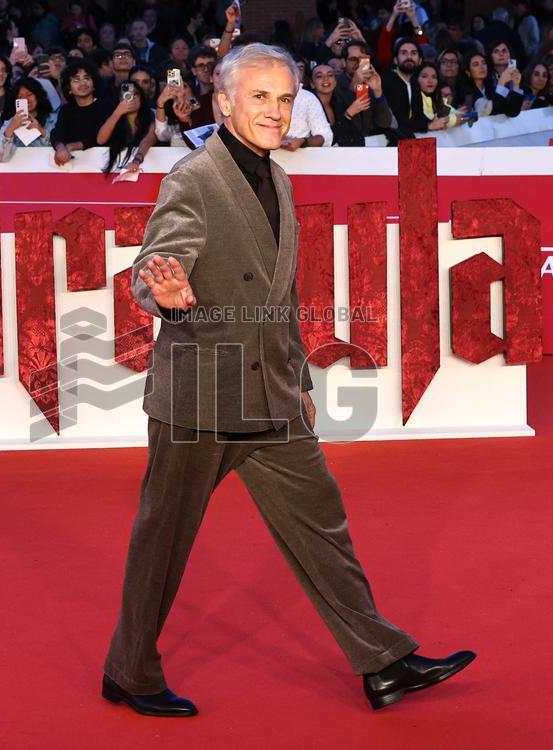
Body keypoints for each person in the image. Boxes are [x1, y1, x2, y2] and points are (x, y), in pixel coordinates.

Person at [102, 42, 475, 719]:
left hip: (271, 395)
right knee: (164, 540)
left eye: (283, 98)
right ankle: (130, 669)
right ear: (224, 103)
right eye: (259, 98)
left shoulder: (280, 180)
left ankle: (383, 661)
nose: (275, 112)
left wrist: (298, 374)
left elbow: (282, 296)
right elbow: (154, 266)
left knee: (322, 526)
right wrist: (166, 292)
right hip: (201, 399)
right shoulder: (195, 177)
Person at [310, 62, 392, 147]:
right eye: (319, 76)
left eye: (330, 75)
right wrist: (348, 114)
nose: (325, 78)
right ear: (312, 83)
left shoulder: (340, 104)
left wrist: (377, 91)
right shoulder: (308, 106)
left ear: (335, 81)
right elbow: (326, 140)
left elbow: (384, 123)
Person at [50, 59, 111, 165]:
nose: (82, 83)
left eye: (86, 78)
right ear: (69, 88)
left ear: (94, 84)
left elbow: (101, 138)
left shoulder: (107, 106)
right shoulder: (66, 110)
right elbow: (57, 133)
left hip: (104, 164)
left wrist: (73, 146)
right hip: (74, 168)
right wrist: (60, 147)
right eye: (76, 80)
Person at [95, 80, 155, 174]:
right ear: (119, 99)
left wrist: (136, 160)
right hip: (115, 171)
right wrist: (118, 112)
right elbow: (100, 140)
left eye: (136, 94)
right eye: (127, 94)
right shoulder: (113, 119)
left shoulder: (150, 117)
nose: (132, 98)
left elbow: (149, 140)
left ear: (141, 97)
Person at [0, 77, 55, 160]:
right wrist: (11, 128)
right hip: (20, 170)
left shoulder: (53, 119)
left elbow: (59, 148)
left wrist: (41, 130)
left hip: (47, 170)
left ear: (38, 96)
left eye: (29, 94)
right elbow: (0, 157)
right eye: (20, 96)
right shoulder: (10, 122)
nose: (25, 99)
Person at [409, 62, 463, 132]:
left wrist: (462, 117)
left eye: (434, 77)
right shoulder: (409, 99)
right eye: (424, 76)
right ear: (416, 79)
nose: (430, 81)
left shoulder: (438, 100)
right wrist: (430, 126)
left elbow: (458, 116)